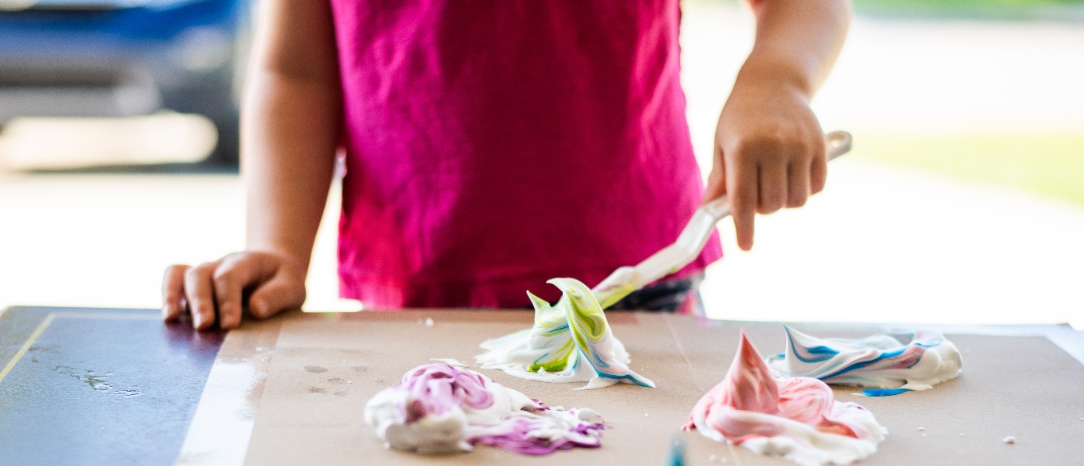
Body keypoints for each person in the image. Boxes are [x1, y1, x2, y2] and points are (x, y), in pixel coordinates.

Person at [163, 0, 850, 330]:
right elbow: (296, 71)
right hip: (410, 301)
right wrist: (278, 248)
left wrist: (776, 80)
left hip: (638, 290)